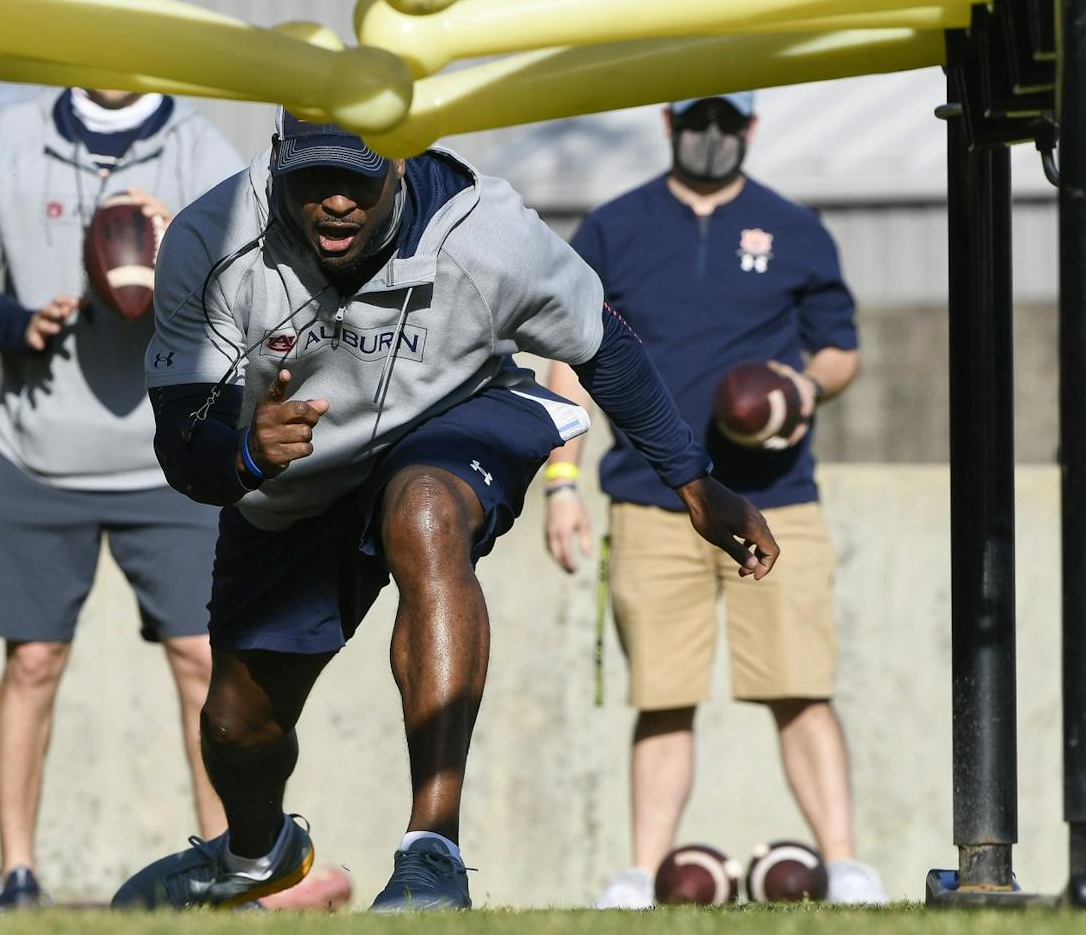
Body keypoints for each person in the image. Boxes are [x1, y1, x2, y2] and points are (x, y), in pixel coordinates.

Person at [109, 108, 779, 912]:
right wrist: (247, 453)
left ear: (400, 159)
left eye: (357, 177)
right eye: (314, 178)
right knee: (236, 724)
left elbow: (601, 345)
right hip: (295, 472)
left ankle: (432, 851)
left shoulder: (485, 231)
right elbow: (185, 445)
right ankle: (253, 853)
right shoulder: (210, 238)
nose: (336, 202)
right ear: (278, 157)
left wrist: (695, 481)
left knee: (423, 512)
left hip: (455, 414)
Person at [0, 0, 350, 911]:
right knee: (32, 660)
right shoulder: (12, 137)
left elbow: (260, 290)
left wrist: (178, 260)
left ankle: (234, 866)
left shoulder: (200, 150)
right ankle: (15, 871)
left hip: (172, 456)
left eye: (131, 25)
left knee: (204, 658)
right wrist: (17, 323)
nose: (111, 43)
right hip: (37, 450)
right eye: (94, 20)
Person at [540, 93, 882, 908]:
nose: (712, 135)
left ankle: (844, 866)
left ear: (750, 130)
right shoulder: (615, 227)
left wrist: (803, 385)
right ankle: (641, 872)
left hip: (775, 498)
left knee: (800, 685)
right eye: (697, 120)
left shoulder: (794, 227)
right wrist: (562, 482)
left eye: (728, 122)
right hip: (651, 499)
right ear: (669, 123)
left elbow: (840, 350)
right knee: (663, 694)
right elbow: (570, 359)